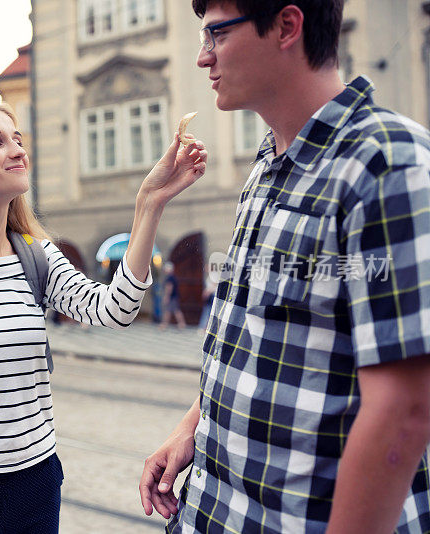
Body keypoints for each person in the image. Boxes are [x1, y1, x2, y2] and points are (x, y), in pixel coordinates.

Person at [139, 1, 430, 533]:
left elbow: (405, 412)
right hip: (211, 512)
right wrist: (194, 425)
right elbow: (256, 340)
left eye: (217, 35)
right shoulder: (268, 162)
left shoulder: (388, 163)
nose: (203, 58)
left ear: (287, 26)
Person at [0, 102, 207, 533]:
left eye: (18, 140)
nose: (17, 150)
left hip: (33, 485)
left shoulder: (37, 256)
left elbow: (115, 309)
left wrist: (150, 202)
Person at [159, 261, 186, 330]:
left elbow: (169, 287)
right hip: (174, 296)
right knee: (174, 310)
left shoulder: (169, 278)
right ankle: (181, 324)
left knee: (170, 311)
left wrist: (166, 296)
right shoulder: (172, 277)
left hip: (172, 297)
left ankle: (164, 325)